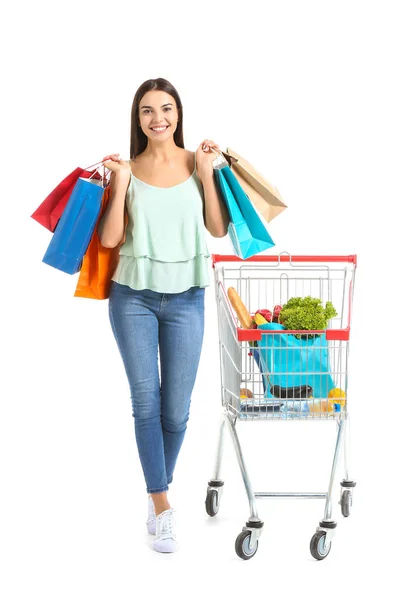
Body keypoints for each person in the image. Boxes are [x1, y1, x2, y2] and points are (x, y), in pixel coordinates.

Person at [98, 77, 229, 553]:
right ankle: (161, 505)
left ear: (178, 113)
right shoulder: (127, 168)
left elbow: (216, 229)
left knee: (176, 411)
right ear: (138, 119)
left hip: (187, 298)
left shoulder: (198, 163)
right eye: (148, 111)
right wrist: (119, 185)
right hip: (132, 296)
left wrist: (209, 173)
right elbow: (111, 241)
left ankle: (158, 490)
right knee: (145, 404)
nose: (158, 119)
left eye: (166, 109)